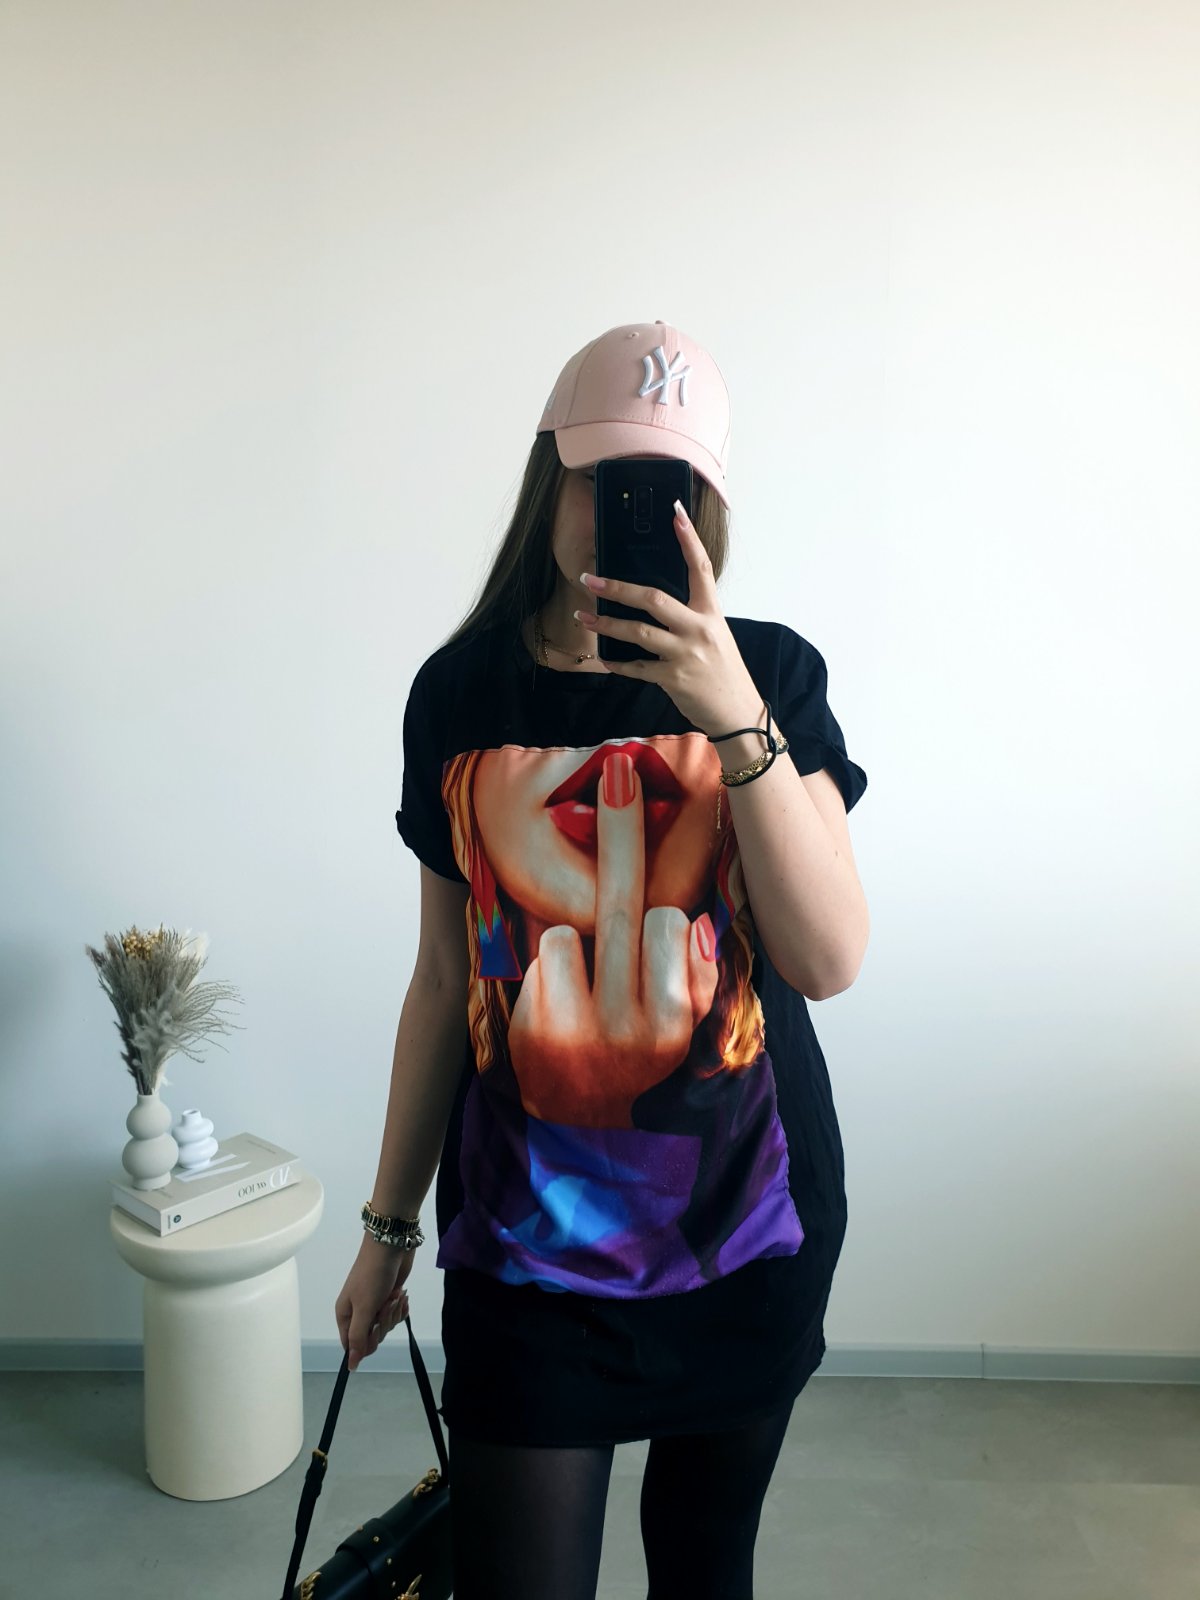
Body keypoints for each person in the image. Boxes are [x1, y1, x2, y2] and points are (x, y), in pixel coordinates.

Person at [335, 320, 870, 1600]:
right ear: (551, 479)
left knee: (705, 1572)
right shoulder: (458, 695)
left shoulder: (772, 675)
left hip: (748, 1235)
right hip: (526, 1257)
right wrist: (388, 1225)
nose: (628, 513)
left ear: (707, 506)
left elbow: (827, 957)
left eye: (666, 483)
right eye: (604, 478)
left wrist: (733, 716)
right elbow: (443, 981)